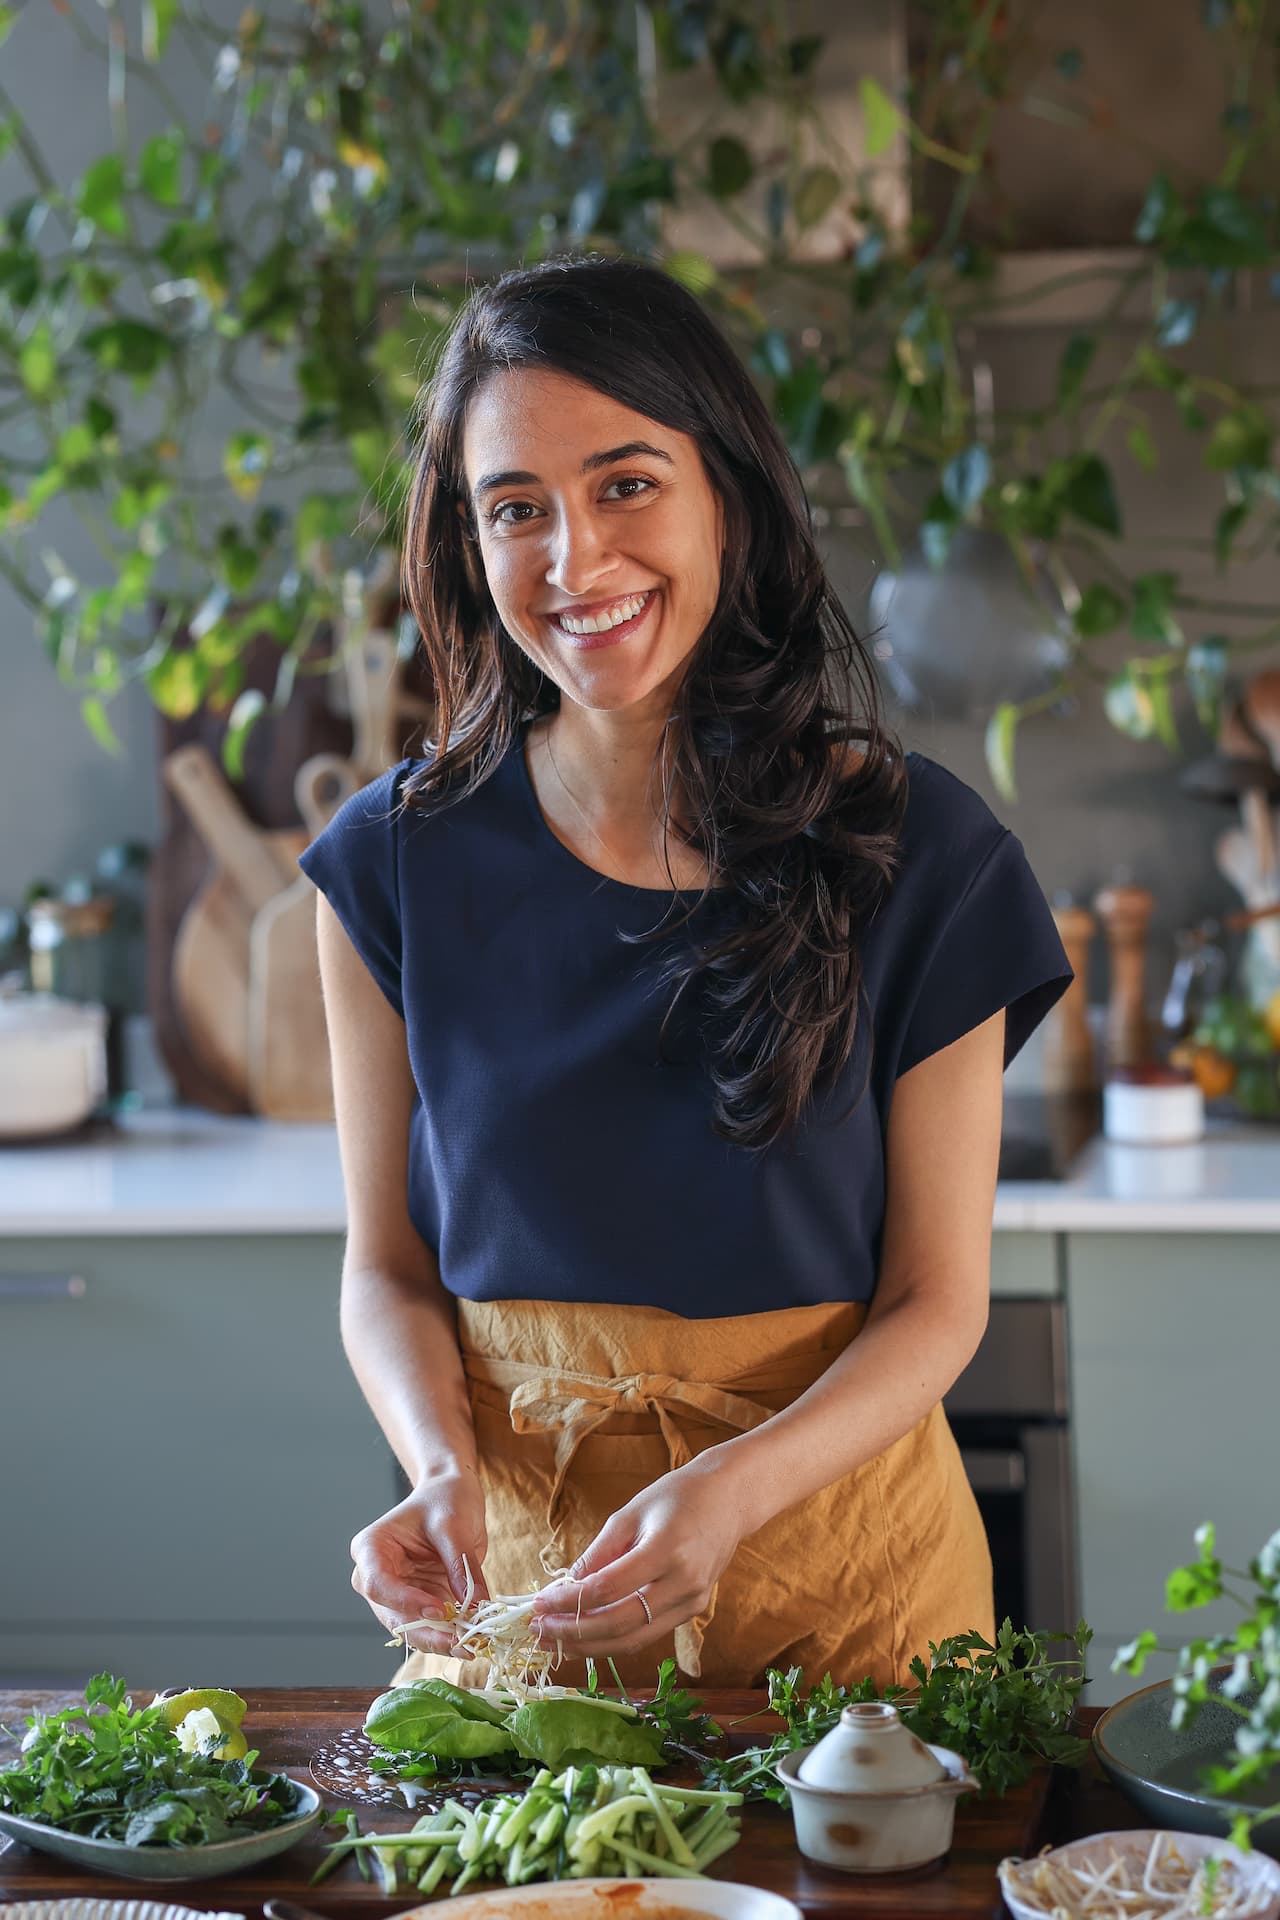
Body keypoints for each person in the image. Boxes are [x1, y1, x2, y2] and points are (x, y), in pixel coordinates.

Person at [299, 254, 1073, 1692]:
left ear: (727, 491)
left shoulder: (924, 855)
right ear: (468, 545)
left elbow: (937, 1305)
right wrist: (433, 1465)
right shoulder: (387, 868)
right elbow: (385, 1273)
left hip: (858, 1620)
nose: (572, 562)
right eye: (513, 508)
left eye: (627, 484)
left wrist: (724, 1490)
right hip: (537, 1623)